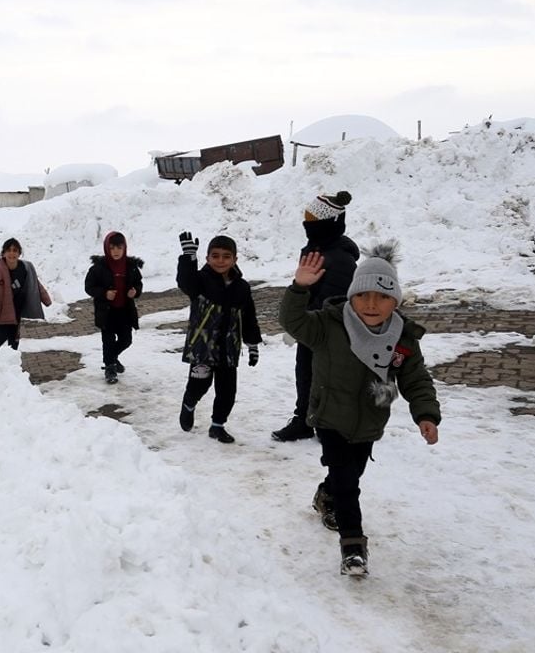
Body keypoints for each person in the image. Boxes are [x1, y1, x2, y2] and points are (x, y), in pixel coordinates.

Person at [278, 242, 441, 578]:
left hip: (370, 418)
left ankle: (326, 493)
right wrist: (299, 288)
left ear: (395, 301)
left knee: (351, 472)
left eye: (382, 297)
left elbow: (415, 378)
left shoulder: (402, 337)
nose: (371, 304)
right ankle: (353, 547)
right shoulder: (328, 324)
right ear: (351, 296)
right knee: (348, 481)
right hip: (330, 416)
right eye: (363, 295)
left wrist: (426, 414)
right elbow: (292, 321)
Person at [274, 191, 360, 442]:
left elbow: (335, 302)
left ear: (327, 222)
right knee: (305, 375)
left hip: (327, 333)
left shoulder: (341, 259)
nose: (307, 224)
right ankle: (304, 419)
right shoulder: (315, 250)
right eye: (306, 218)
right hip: (309, 329)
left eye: (312, 219)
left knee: (325, 378)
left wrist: (308, 319)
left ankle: (328, 423)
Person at [175, 232, 261, 444]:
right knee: (199, 385)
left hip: (228, 348)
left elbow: (249, 316)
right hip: (202, 347)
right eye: (215, 256)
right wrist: (188, 258)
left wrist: (252, 344)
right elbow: (185, 281)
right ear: (207, 258)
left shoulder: (242, 287)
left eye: (225, 256)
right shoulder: (200, 281)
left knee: (227, 390)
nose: (220, 260)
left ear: (235, 259)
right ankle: (189, 404)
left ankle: (217, 425)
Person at [84, 231, 143, 384]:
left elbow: (138, 283)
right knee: (108, 341)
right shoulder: (99, 268)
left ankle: (111, 358)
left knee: (126, 340)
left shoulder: (130, 266)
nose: (116, 251)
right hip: (107, 312)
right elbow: (89, 287)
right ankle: (110, 368)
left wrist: (135, 291)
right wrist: (104, 293)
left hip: (124, 311)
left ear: (124, 248)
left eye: (119, 247)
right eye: (112, 248)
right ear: (106, 249)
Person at [0, 238, 52, 360]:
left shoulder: (25, 267)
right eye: (8, 250)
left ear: (19, 253)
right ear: (3, 253)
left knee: (14, 338)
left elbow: (34, 282)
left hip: (17, 309)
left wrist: (45, 299)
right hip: (2, 311)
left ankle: (11, 363)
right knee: (3, 334)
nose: (12, 253)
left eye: (15, 250)